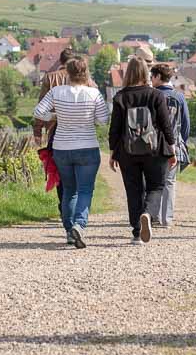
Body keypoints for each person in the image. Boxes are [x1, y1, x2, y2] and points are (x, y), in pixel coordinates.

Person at [33, 56, 109, 249]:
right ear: (85, 72)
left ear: (67, 72)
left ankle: (69, 231)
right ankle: (79, 225)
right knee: (85, 190)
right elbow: (103, 119)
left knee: (69, 190)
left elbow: (38, 112)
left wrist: (56, 115)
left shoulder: (56, 92)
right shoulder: (93, 93)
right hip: (87, 146)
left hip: (62, 148)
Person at [108, 56, 177, 244]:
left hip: (127, 152)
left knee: (133, 189)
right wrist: (172, 149)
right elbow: (165, 125)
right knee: (156, 186)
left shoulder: (120, 97)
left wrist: (113, 152)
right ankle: (147, 213)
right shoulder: (156, 95)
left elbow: (114, 129)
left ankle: (137, 232)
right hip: (154, 149)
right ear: (146, 73)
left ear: (128, 73)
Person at [150, 62, 190, 228]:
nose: (151, 80)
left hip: (152, 144)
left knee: (153, 181)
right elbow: (186, 123)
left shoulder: (151, 95)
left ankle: (154, 215)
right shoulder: (178, 96)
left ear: (158, 77)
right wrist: (183, 141)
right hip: (174, 144)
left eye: (152, 76)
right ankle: (167, 218)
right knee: (169, 182)